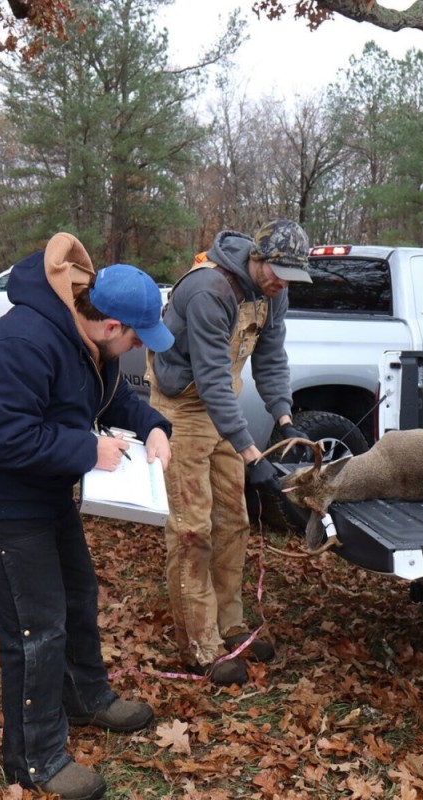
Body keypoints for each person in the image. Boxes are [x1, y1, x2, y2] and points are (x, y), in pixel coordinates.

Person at [0, 232, 174, 800]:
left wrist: (153, 425)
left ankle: (86, 698)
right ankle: (34, 757)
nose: (140, 346)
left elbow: (111, 395)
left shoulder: (86, 341)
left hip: (42, 490)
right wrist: (86, 451)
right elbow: (1, 438)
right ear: (112, 325)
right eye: (139, 336)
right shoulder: (22, 343)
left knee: (75, 596)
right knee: (33, 627)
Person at [148, 218, 312, 686]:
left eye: (291, 280)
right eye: (278, 274)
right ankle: (200, 646)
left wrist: (285, 417)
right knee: (192, 529)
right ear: (257, 259)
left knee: (234, 520)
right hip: (182, 408)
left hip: (222, 407)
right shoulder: (209, 291)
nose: (283, 286)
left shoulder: (274, 291)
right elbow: (213, 378)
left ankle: (230, 624)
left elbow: (271, 355)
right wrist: (251, 454)